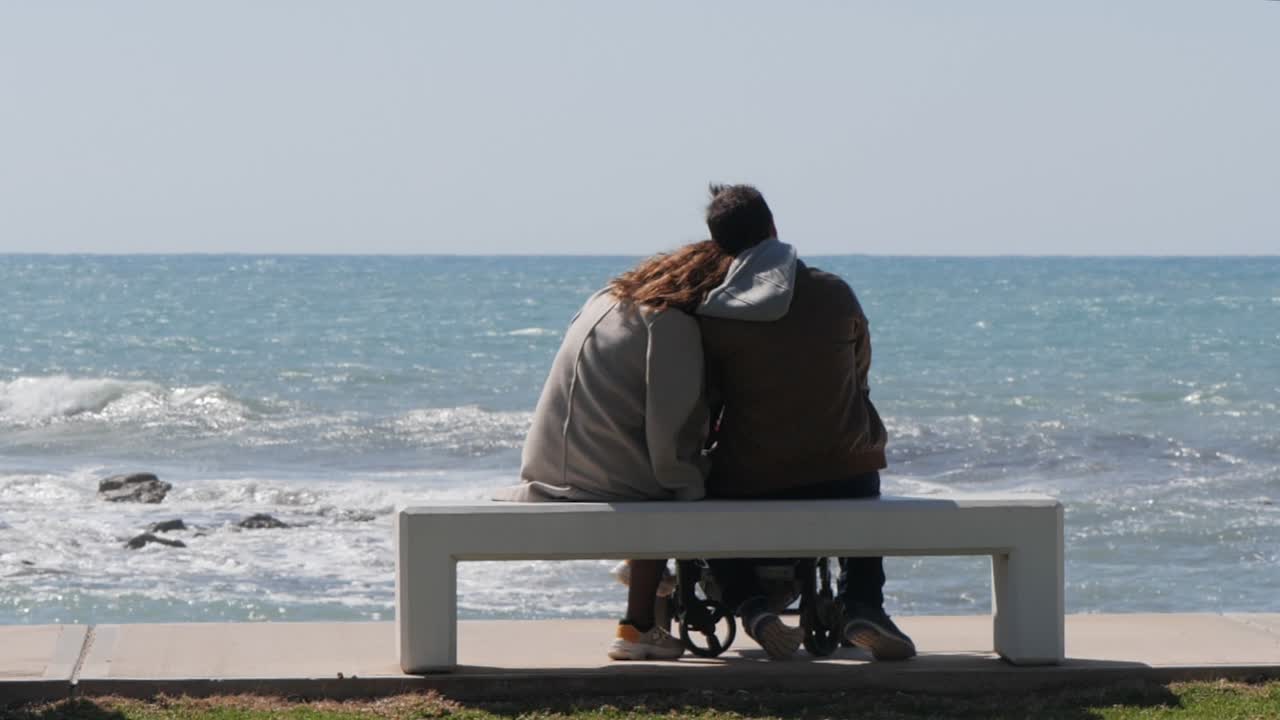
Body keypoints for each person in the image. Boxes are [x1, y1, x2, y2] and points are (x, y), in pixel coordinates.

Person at [694, 184, 917, 661]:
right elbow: (860, 375)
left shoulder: (712, 314)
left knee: (698, 497)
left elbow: (707, 401)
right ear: (774, 228)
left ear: (720, 247)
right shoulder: (836, 293)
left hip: (752, 479)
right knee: (858, 466)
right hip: (846, 476)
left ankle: (751, 607)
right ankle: (863, 603)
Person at [494, 241, 733, 661]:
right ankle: (638, 626)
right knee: (674, 488)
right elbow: (668, 427)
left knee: (654, 477)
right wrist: (695, 479)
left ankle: (644, 586)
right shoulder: (670, 324)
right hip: (603, 480)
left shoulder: (606, 300)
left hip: (548, 467)